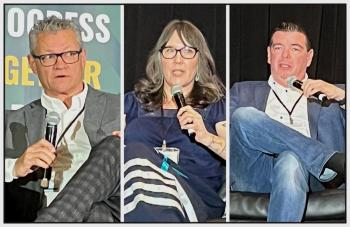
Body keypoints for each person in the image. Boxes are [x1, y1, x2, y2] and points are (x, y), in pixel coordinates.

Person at [4, 16, 121, 222]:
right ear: (32, 64)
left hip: (107, 210)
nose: (60, 65)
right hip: (35, 211)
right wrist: (14, 166)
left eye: (69, 54)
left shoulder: (120, 107)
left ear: (83, 57)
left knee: (98, 211)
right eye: (48, 57)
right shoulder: (10, 121)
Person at [230, 22, 345, 222]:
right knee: (243, 116)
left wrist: (343, 96)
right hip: (255, 174)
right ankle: (326, 159)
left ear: (309, 57)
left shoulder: (331, 94)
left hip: (313, 179)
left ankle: (320, 161)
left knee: (291, 159)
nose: (285, 56)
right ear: (268, 54)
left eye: (295, 49)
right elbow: (226, 136)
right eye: (278, 48)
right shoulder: (242, 91)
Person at [124, 19, 226, 222]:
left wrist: (205, 136)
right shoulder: (133, 102)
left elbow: (238, 157)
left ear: (199, 60)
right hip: (137, 194)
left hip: (193, 196)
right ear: (159, 59)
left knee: (135, 150)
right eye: (170, 51)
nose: (177, 59)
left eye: (187, 51)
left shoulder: (216, 106)